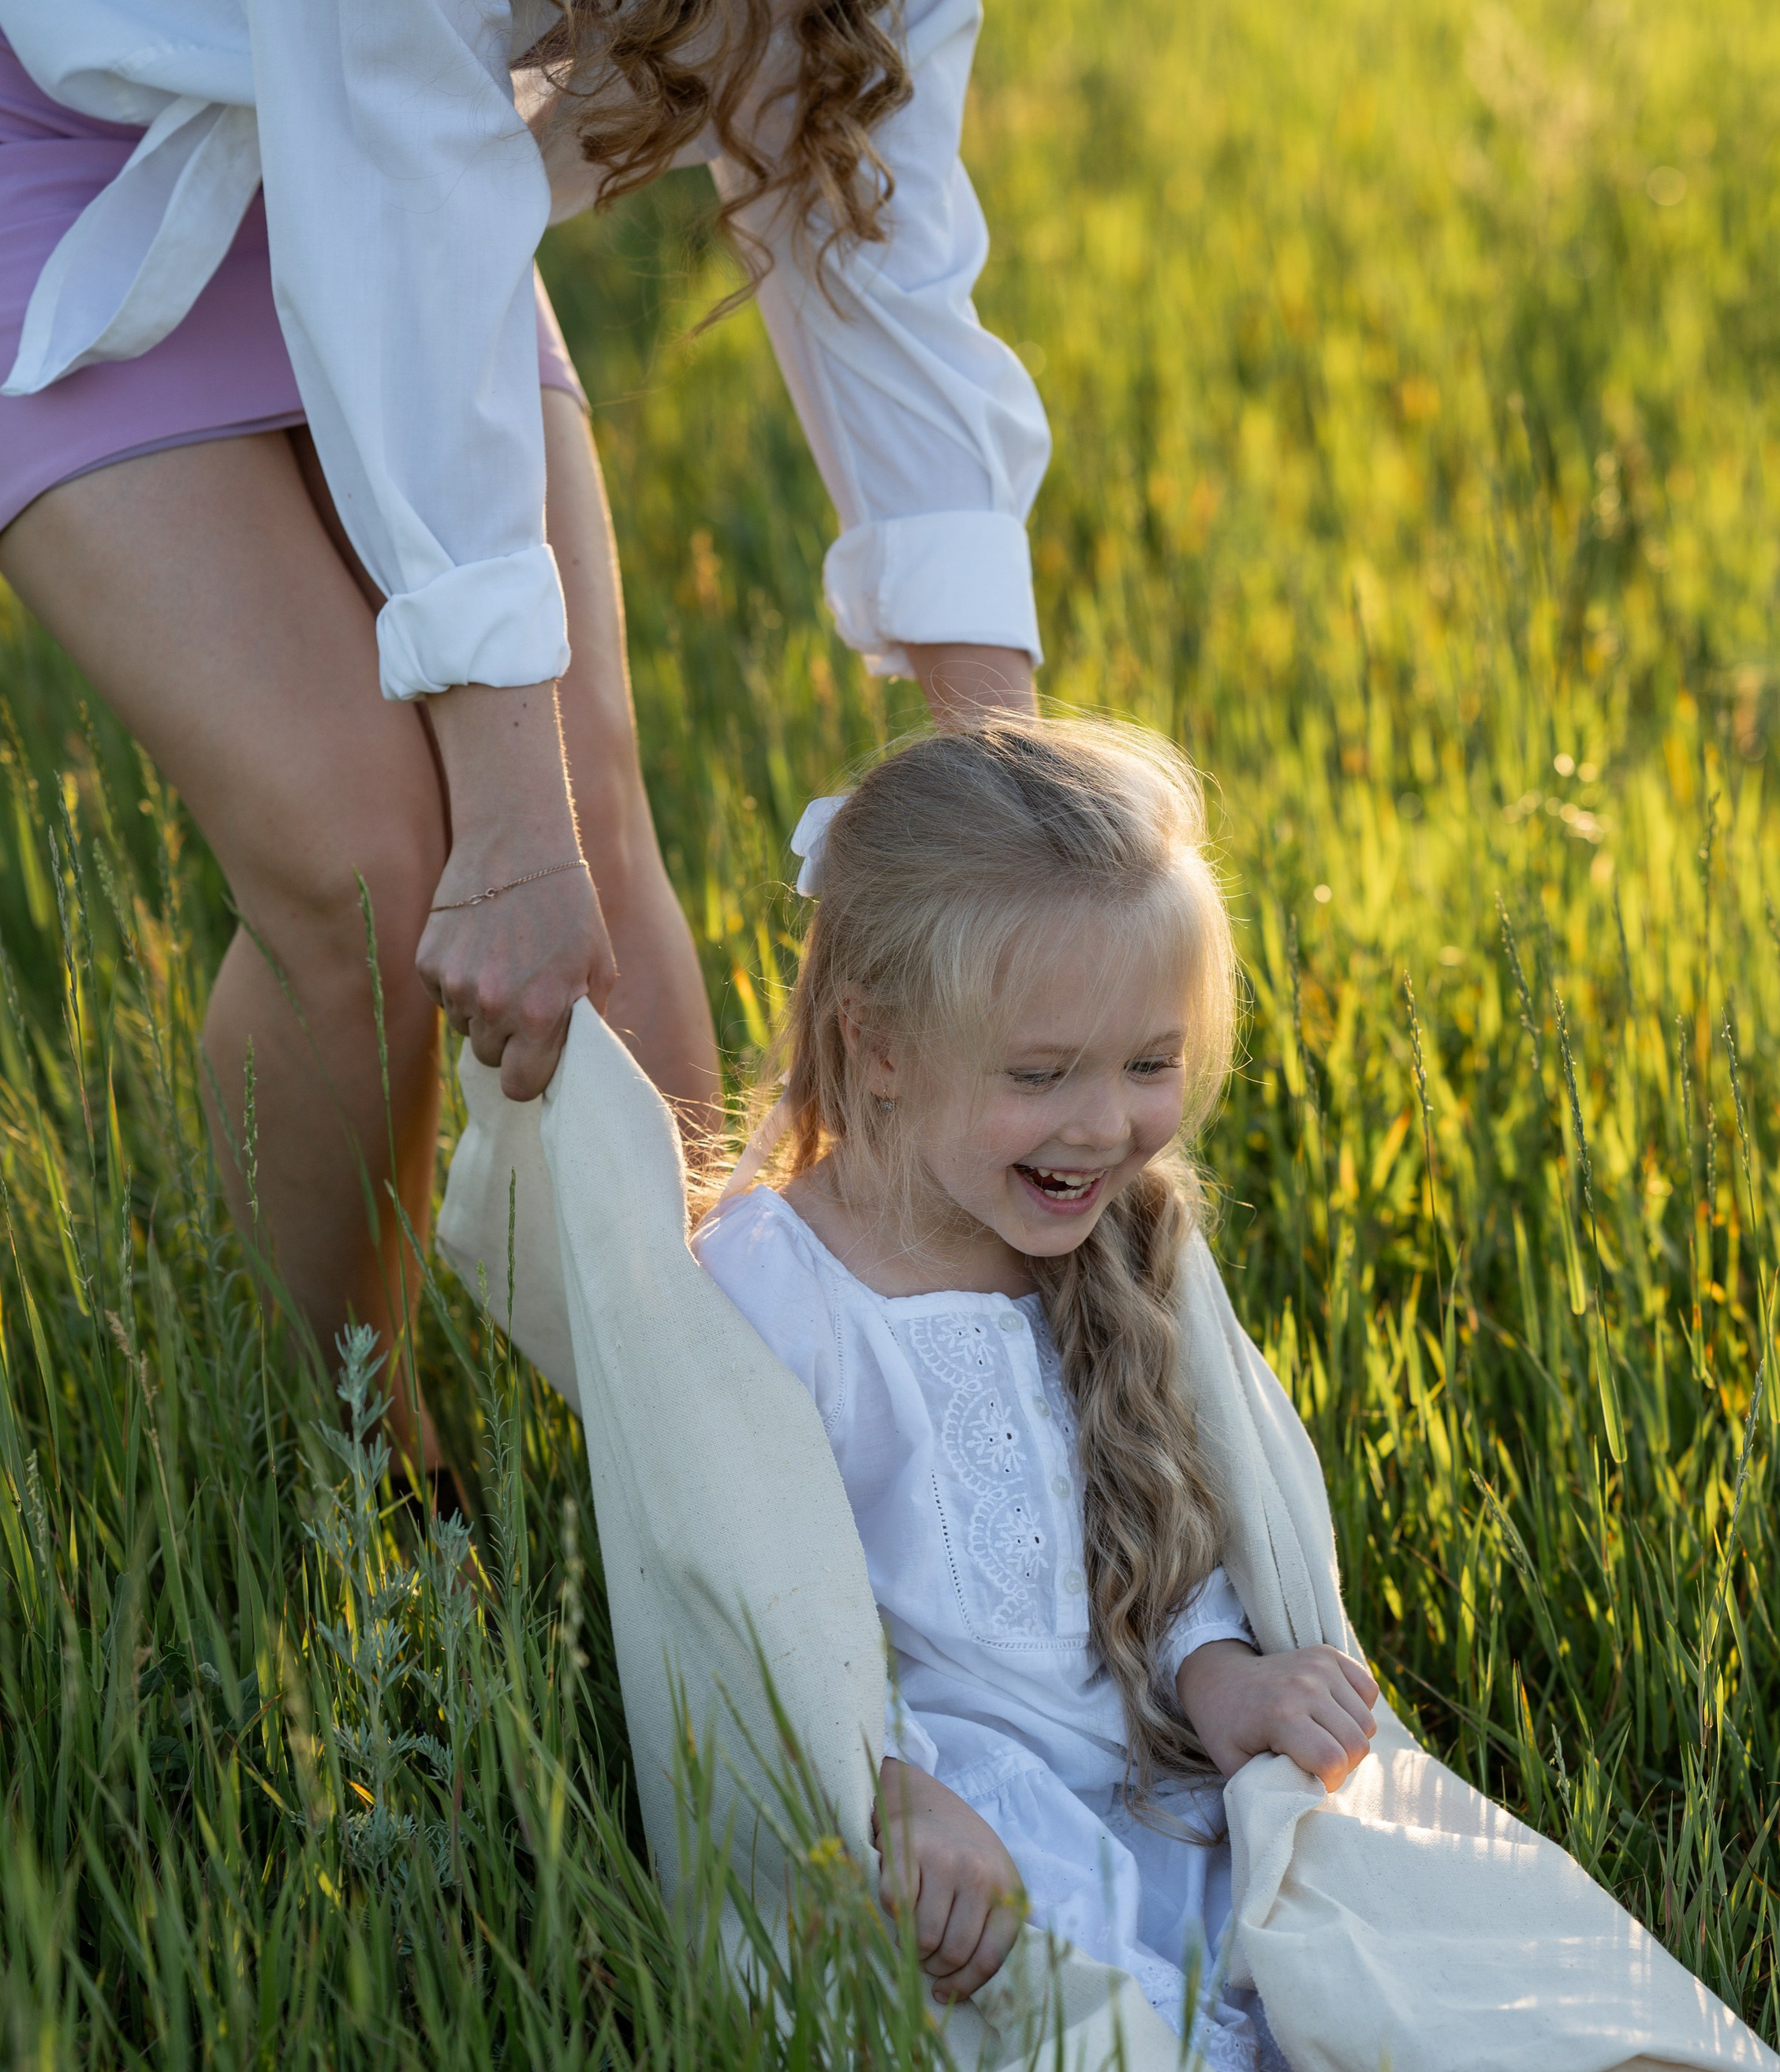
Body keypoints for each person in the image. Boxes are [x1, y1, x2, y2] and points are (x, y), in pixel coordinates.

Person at [690, 714, 1780, 2072]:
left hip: (1175, 1796)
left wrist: (1225, 1675)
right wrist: (885, 1783)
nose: (1104, 1125)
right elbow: (755, 1602)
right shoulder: (771, 1291)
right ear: (871, 1037)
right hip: (980, 1846)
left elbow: (1159, 1561)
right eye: (1042, 1076)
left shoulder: (1117, 1246)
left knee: (1428, 2008)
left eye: (1148, 1063)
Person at [0, 0, 1045, 1476]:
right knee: (361, 862)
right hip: (84, 156)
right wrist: (503, 817)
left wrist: (1022, 819)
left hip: (418, 179)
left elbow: (869, 229)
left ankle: (738, 1471)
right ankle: (362, 1463)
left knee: (596, 846)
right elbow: (388, 207)